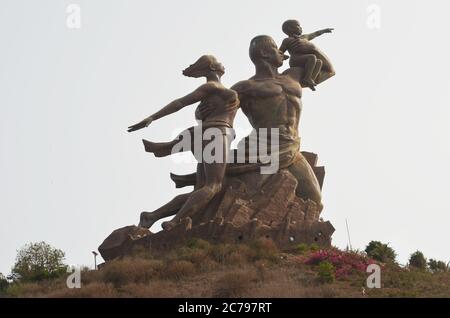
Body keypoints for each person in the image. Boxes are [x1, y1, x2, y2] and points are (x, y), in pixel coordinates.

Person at [127, 55, 239, 230]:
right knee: (214, 186)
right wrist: (152, 118)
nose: (222, 63)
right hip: (217, 133)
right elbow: (180, 103)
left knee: (201, 189)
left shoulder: (216, 92)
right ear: (211, 67)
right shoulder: (213, 86)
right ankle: (175, 222)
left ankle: (151, 216)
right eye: (218, 61)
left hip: (209, 133)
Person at [279, 19, 335, 90]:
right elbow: (280, 51)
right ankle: (307, 77)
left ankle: (310, 80)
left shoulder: (304, 37)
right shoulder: (287, 40)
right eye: (298, 26)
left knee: (319, 62)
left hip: (306, 59)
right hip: (295, 59)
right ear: (290, 29)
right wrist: (282, 56)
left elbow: (315, 34)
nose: (301, 28)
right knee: (312, 57)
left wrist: (324, 31)